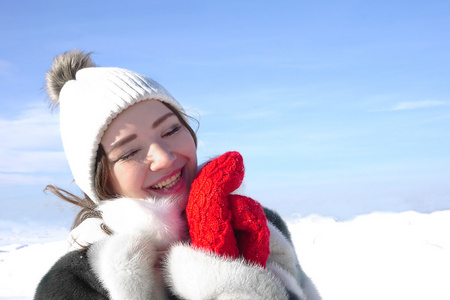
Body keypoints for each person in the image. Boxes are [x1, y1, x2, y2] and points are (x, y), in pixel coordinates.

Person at [34, 50, 321, 300]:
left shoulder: (259, 224)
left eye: (171, 130)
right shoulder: (75, 284)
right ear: (100, 179)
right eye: (129, 152)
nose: (164, 157)